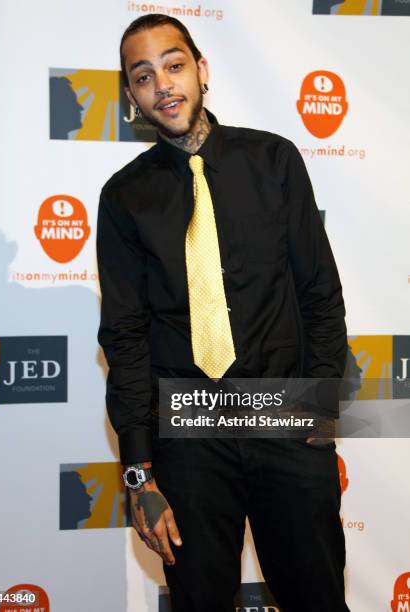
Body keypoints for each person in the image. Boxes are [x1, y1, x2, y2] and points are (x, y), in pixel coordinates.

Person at [96, 14, 350, 612]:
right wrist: (138, 471)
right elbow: (126, 337)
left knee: (317, 599)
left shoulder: (275, 160)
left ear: (201, 70)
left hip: (285, 414)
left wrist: (318, 411)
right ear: (131, 95)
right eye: (143, 75)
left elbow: (320, 292)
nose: (163, 84)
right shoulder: (124, 198)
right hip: (189, 431)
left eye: (174, 65)